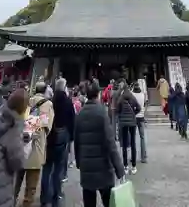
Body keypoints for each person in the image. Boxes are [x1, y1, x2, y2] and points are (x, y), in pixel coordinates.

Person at [74, 79, 125, 207]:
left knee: (89, 203)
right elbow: (110, 143)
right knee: (108, 202)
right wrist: (119, 169)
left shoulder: (80, 114)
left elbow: (77, 142)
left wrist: (79, 163)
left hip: (87, 168)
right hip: (104, 168)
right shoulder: (102, 113)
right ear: (98, 94)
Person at [15, 81, 54, 207]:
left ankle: (11, 202)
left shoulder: (26, 101)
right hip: (35, 148)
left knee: (15, 183)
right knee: (31, 187)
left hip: (21, 146)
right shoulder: (48, 105)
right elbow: (47, 126)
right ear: (45, 91)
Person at [40, 78, 75, 207]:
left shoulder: (50, 101)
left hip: (50, 137)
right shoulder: (67, 102)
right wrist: (71, 137)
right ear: (64, 87)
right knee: (58, 168)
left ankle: (44, 196)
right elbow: (72, 120)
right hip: (62, 138)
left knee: (47, 167)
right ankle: (56, 193)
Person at [116, 82, 141, 174]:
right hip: (132, 123)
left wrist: (121, 116)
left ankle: (125, 166)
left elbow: (117, 110)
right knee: (133, 143)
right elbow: (139, 108)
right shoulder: (132, 97)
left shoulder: (121, 98)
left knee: (124, 145)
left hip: (123, 123)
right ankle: (134, 166)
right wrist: (133, 114)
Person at [132, 81, 147, 163]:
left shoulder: (132, 95)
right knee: (142, 137)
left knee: (133, 137)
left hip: (134, 117)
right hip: (141, 117)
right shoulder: (142, 95)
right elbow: (144, 105)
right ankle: (143, 157)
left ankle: (133, 156)